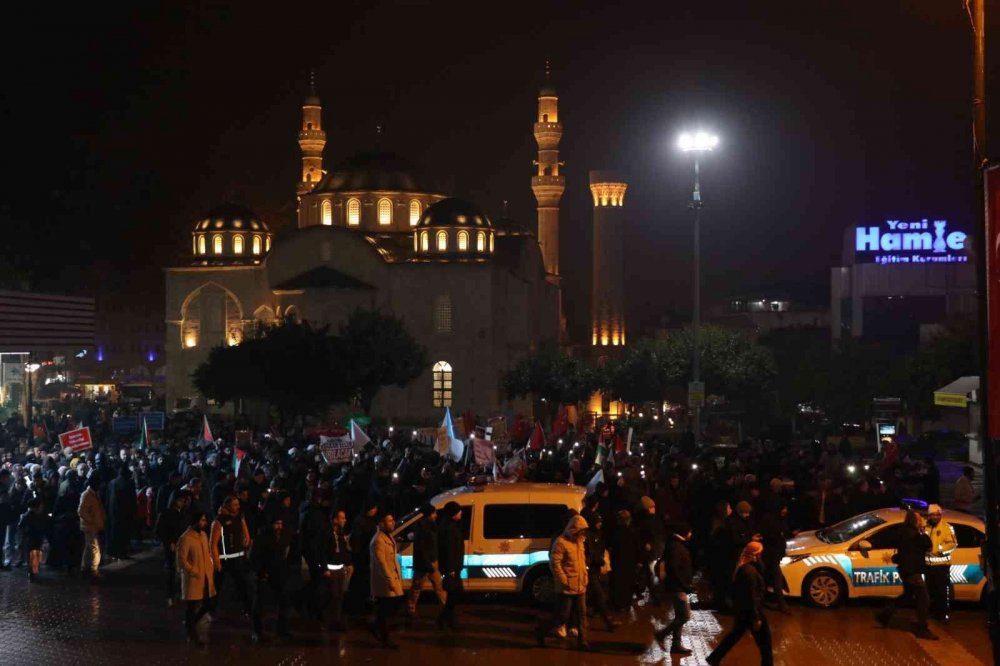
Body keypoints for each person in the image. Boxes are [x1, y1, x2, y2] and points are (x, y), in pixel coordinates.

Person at [706, 541, 773, 665]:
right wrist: (756, 617)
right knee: (765, 642)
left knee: (734, 635)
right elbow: (752, 596)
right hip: (752, 611)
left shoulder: (743, 567)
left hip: (743, 610)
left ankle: (714, 658)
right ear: (756, 555)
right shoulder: (749, 571)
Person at [876, 510, 936, 640]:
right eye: (919, 519)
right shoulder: (914, 535)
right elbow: (928, 544)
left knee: (907, 597)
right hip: (912, 571)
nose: (922, 521)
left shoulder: (904, 532)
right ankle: (922, 628)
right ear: (914, 521)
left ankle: (884, 615)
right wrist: (923, 530)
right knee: (924, 599)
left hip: (906, 570)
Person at [535, 515, 591, 651]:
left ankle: (583, 642)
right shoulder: (561, 542)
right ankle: (541, 632)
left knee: (582, 614)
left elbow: (582, 562)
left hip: (580, 585)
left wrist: (584, 577)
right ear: (575, 529)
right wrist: (563, 580)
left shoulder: (580, 542)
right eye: (581, 530)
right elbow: (555, 564)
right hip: (566, 587)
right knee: (561, 616)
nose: (583, 533)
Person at [209, 495, 256, 640]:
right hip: (225, 560)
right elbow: (213, 543)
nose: (237, 506)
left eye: (238, 504)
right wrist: (216, 561)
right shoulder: (219, 521)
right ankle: (210, 610)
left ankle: (249, 610)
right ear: (227, 505)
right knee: (217, 586)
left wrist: (247, 541)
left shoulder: (239, 517)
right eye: (234, 504)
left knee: (243, 585)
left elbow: (245, 533)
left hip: (238, 559)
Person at [655, 522, 695, 655]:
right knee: (685, 616)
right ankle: (662, 634)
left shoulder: (675, 544)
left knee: (679, 616)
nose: (691, 534)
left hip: (677, 586)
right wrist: (684, 585)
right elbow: (673, 569)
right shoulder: (676, 546)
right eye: (690, 532)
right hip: (677, 587)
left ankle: (676, 645)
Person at [250, 514, 291, 641]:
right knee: (259, 604)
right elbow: (255, 557)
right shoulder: (263, 537)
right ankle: (257, 631)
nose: (279, 527)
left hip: (279, 573)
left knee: (283, 601)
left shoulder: (283, 536)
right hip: (265, 573)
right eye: (276, 524)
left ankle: (282, 630)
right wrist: (261, 572)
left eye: (281, 524)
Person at [178, 510, 216, 645]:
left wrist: (210, 566)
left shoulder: (204, 535)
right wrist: (193, 570)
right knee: (191, 605)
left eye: (205, 520)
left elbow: (207, 553)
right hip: (194, 577)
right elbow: (182, 560)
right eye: (202, 520)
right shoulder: (186, 538)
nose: (204, 523)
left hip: (205, 575)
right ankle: (191, 632)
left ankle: (191, 623)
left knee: (208, 603)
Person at [370, 511, 404, 649]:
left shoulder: (388, 536)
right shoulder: (378, 540)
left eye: (392, 520)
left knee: (387, 608)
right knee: (385, 609)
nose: (393, 523)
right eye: (389, 521)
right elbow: (381, 563)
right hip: (385, 581)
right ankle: (384, 636)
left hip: (392, 578)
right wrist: (390, 580)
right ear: (381, 524)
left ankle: (377, 627)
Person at [407, 503, 447, 618]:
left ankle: (446, 607)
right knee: (417, 587)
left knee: (438, 586)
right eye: (434, 513)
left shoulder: (431, 525)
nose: (436, 515)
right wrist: (427, 562)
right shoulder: (422, 528)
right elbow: (422, 548)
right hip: (424, 563)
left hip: (431, 561)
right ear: (429, 514)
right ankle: (411, 608)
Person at [584, 511, 619, 632]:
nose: (600, 524)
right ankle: (608, 621)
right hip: (590, 569)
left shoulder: (598, 534)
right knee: (599, 594)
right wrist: (599, 560)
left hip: (596, 568)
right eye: (598, 522)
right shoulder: (587, 535)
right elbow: (590, 551)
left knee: (596, 595)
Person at [155, 488, 191, 606]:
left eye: (183, 500)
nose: (182, 503)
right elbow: (160, 531)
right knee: (172, 571)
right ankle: (170, 595)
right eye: (180, 500)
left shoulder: (184, 513)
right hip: (172, 546)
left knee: (182, 571)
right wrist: (169, 542)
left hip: (183, 545)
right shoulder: (167, 513)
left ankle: (179, 592)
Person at [924, 504, 957, 622]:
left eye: (937, 515)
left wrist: (939, 550)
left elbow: (953, 545)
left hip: (941, 566)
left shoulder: (947, 528)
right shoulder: (925, 527)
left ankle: (943, 615)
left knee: (942, 592)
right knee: (930, 590)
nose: (935, 517)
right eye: (932, 515)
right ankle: (933, 612)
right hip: (928, 566)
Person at [436, 501, 465, 630]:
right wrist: (450, 569)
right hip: (451, 569)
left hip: (453, 568)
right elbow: (448, 550)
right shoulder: (449, 528)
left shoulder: (450, 526)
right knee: (454, 594)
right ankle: (446, 620)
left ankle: (445, 619)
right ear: (453, 513)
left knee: (454, 595)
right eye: (459, 511)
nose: (461, 513)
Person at [322, 509, 352, 630]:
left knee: (340, 595)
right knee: (333, 595)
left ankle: (337, 621)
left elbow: (344, 549)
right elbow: (322, 551)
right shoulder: (327, 533)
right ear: (335, 519)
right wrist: (325, 568)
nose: (344, 520)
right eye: (341, 518)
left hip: (340, 568)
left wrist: (348, 563)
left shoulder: (341, 533)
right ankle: (328, 621)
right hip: (331, 568)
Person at [609, 509, 639, 611]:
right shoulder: (632, 532)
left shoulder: (615, 532)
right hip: (629, 562)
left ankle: (618, 604)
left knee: (618, 583)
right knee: (627, 583)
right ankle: (626, 603)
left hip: (618, 562)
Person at [78, 475, 106, 580]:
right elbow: (81, 511)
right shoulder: (88, 495)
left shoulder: (93, 494)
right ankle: (94, 569)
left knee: (89, 547)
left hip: (91, 525)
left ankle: (84, 567)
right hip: (90, 526)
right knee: (95, 548)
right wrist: (92, 521)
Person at [18, 497, 49, 582]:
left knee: (36, 553)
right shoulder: (28, 515)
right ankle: (32, 573)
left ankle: (34, 572)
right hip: (31, 538)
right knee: (32, 554)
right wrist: (26, 533)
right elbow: (21, 526)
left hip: (37, 537)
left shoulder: (39, 515)